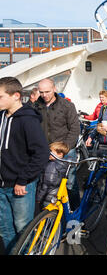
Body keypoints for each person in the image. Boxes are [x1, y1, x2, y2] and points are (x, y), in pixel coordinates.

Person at [0, 77, 49, 254]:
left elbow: (41, 153)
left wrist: (23, 180)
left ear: (16, 96)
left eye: (0, 96)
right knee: (5, 230)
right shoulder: (1, 117)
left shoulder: (28, 120)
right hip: (1, 185)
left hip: (20, 185)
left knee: (23, 229)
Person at [33, 78, 80, 208]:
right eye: (41, 92)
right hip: (43, 151)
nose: (44, 95)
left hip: (64, 151)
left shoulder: (67, 106)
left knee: (69, 184)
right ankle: (46, 215)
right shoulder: (34, 107)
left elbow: (75, 129)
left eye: (47, 91)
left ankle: (75, 213)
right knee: (44, 184)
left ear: (54, 89)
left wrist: (62, 149)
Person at [36, 141, 69, 208]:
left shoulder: (52, 165)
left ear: (60, 154)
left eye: (51, 151)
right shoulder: (63, 163)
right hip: (54, 196)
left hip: (47, 197)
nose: (49, 153)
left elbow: (46, 184)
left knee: (44, 216)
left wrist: (39, 198)